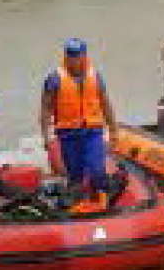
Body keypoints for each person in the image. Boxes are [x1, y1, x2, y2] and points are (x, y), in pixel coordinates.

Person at [40, 38, 119, 213]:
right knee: (75, 176)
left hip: (92, 131)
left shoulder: (96, 76)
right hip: (67, 134)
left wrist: (114, 130)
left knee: (97, 170)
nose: (73, 59)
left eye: (76, 55)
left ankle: (104, 205)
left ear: (84, 56)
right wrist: (46, 136)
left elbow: (106, 103)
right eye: (70, 55)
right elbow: (45, 109)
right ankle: (78, 206)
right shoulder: (54, 79)